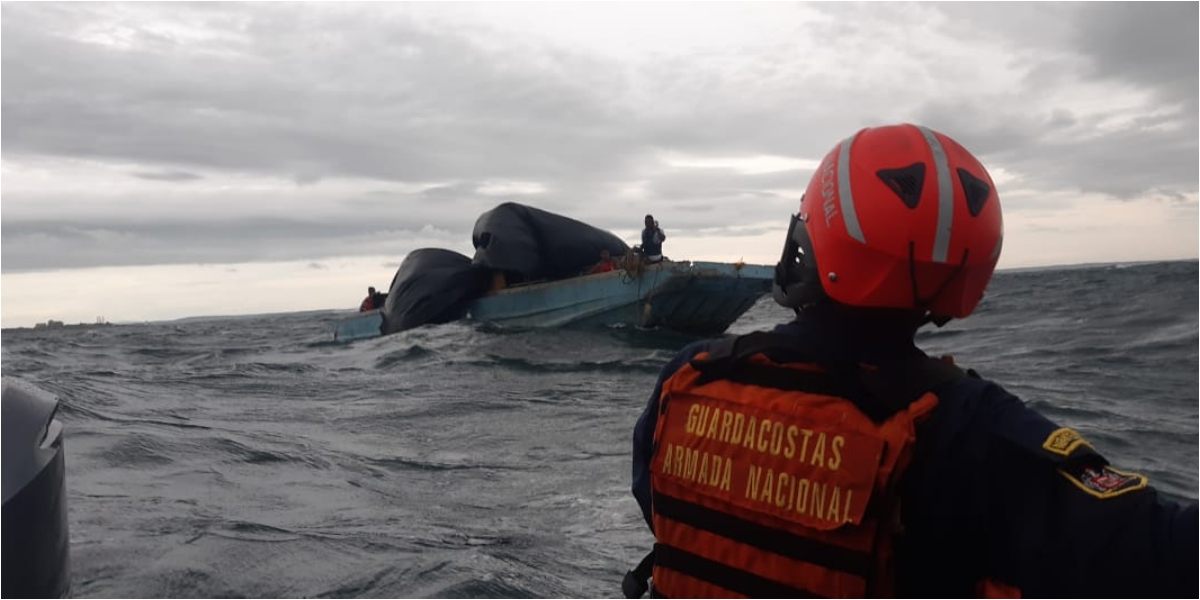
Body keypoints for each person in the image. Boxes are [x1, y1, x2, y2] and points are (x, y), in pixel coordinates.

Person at [626, 123, 1197, 598]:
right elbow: (1163, 553)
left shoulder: (689, 376)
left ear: (813, 235)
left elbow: (660, 510)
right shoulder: (969, 434)